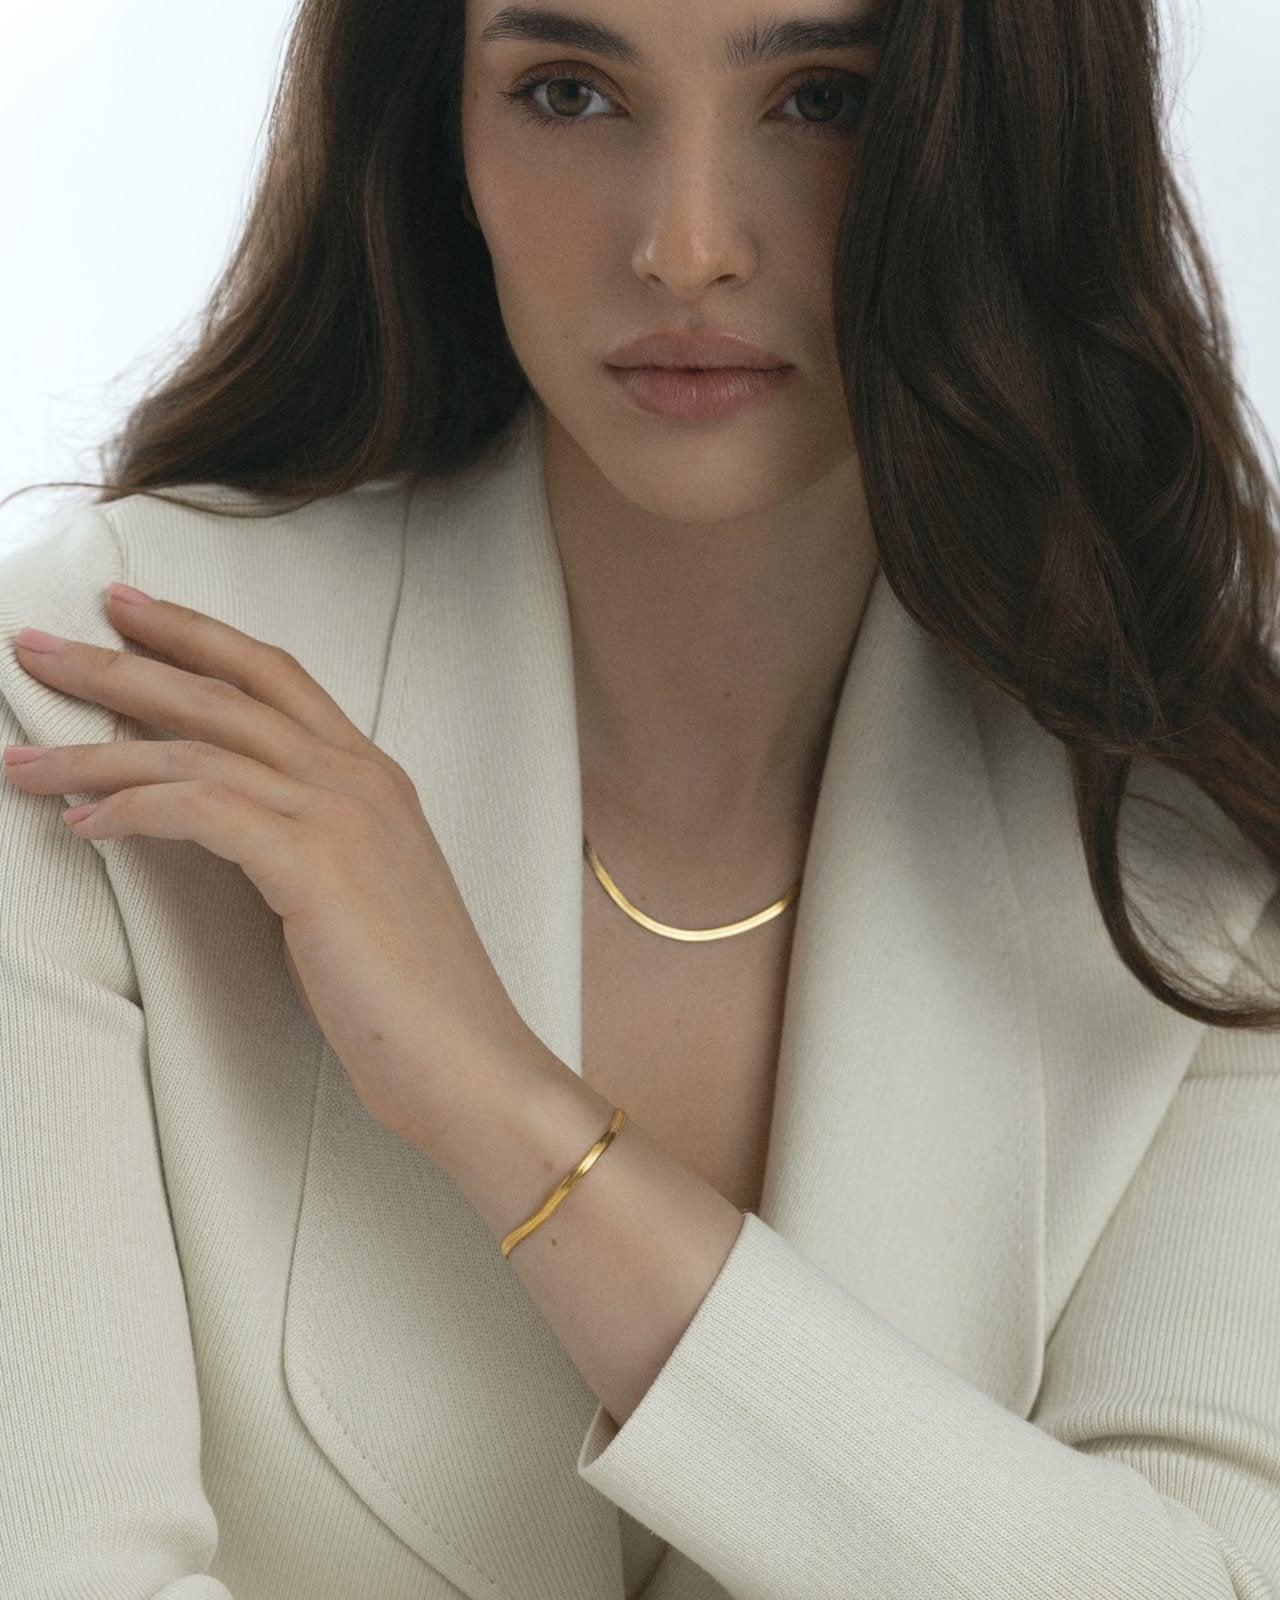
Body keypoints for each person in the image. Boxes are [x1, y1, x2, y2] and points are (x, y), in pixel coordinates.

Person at [1, 0, 1278, 1595]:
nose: (685, 250)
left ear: (1008, 138)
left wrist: (501, 1106)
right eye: (566, 93)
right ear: (439, 126)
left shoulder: (1207, 833)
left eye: (822, 100)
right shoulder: (95, 704)